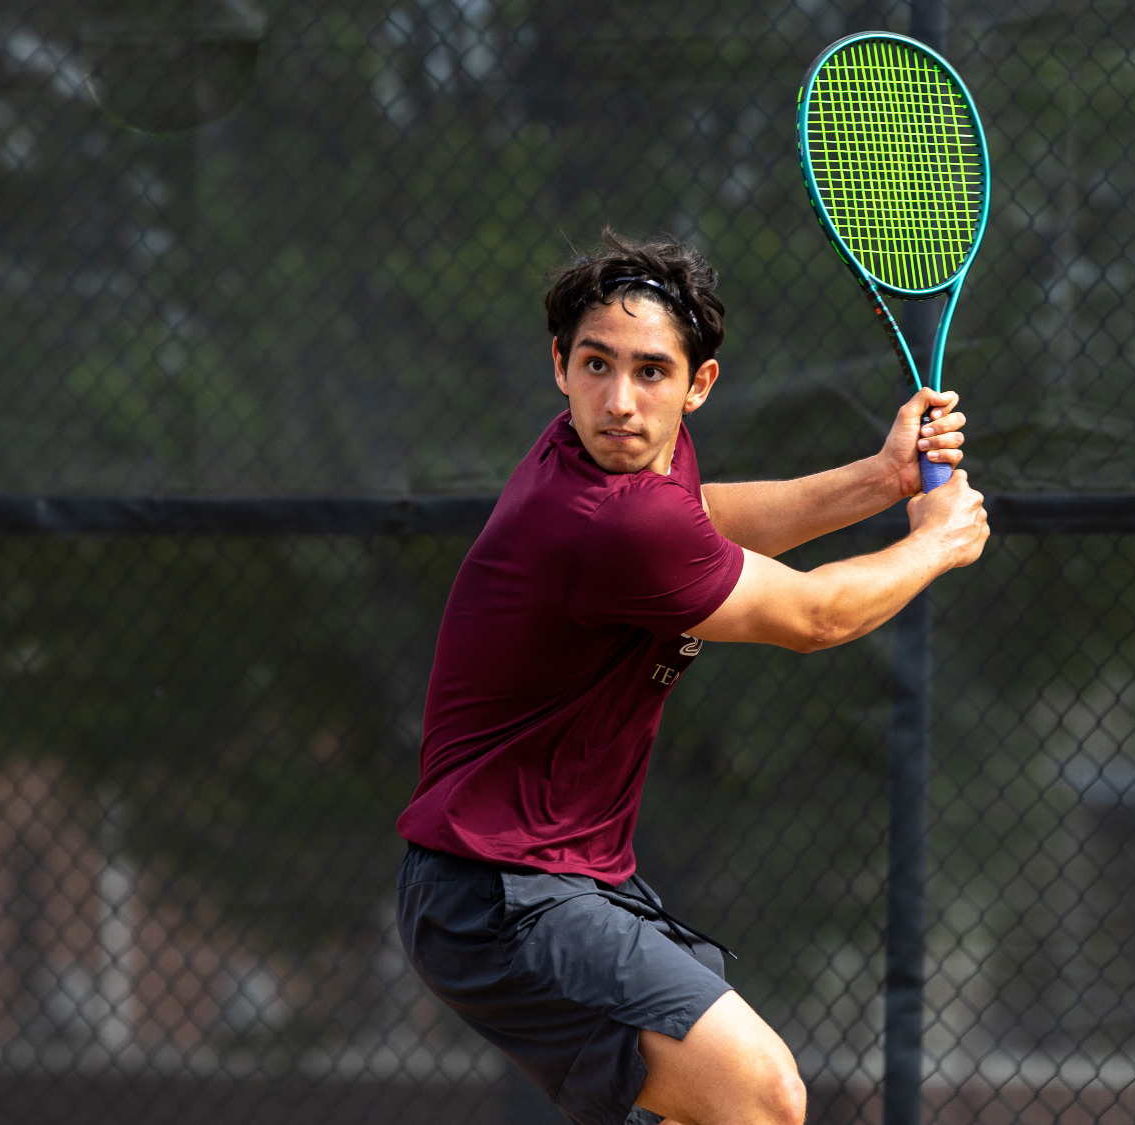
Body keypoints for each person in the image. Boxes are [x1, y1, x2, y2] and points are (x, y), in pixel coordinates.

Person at [395, 230, 989, 1125]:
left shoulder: (616, 459)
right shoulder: (606, 518)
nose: (620, 400)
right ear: (559, 365)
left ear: (697, 385)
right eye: (595, 365)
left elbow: (704, 517)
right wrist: (932, 544)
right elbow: (814, 618)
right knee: (761, 1092)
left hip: (555, 877)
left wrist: (880, 478)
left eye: (650, 372)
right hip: (497, 890)